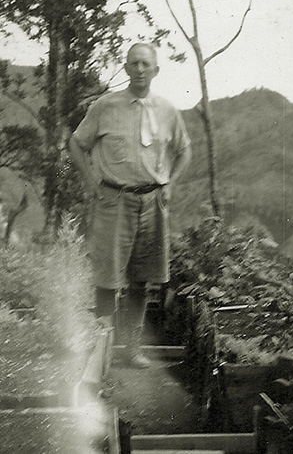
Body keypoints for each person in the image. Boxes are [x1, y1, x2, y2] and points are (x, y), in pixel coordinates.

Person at [69, 43, 191, 368]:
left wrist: (170, 184)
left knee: (141, 278)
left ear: (155, 70)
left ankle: (132, 349)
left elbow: (184, 150)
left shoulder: (168, 110)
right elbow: (77, 144)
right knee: (107, 277)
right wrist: (90, 180)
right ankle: (102, 353)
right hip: (113, 200)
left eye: (145, 64)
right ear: (125, 69)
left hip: (153, 202)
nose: (139, 69)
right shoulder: (104, 106)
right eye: (134, 63)